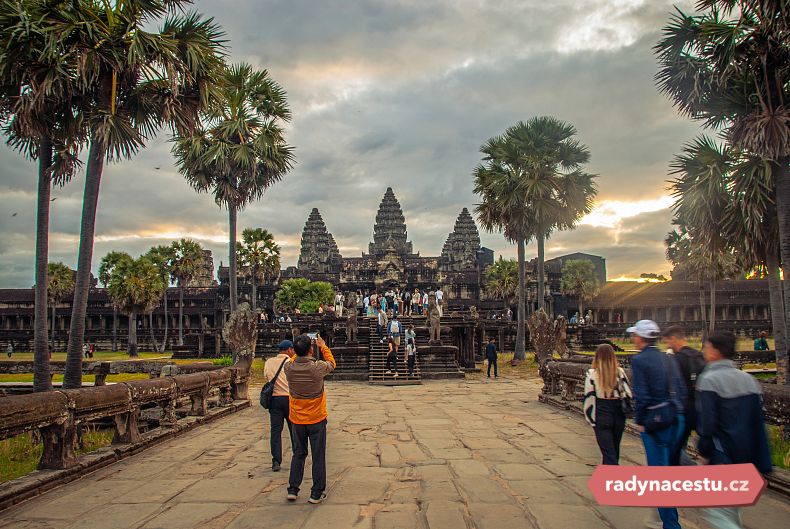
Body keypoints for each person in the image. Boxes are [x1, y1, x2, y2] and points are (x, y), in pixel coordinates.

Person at [697, 330, 772, 529]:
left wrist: (704, 452)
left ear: (715, 351)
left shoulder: (709, 380)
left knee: (717, 513)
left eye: (706, 346)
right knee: (731, 509)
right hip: (746, 456)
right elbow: (758, 424)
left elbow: (707, 424)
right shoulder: (749, 380)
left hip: (722, 454)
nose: (704, 350)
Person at [629, 320, 686, 529]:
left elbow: (642, 395)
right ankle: (669, 518)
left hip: (656, 422)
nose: (633, 339)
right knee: (668, 472)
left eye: (635, 335)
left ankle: (671, 525)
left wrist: (641, 421)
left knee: (659, 477)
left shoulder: (640, 360)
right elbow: (681, 389)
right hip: (676, 418)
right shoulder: (668, 357)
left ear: (641, 338)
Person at [284, 333, 336, 504]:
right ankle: (316, 492)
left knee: (298, 453)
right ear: (311, 349)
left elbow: (292, 359)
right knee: (318, 455)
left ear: (295, 351)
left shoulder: (289, 368)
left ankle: (293, 488)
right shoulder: (317, 367)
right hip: (316, 418)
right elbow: (332, 364)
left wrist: (298, 353)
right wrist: (323, 346)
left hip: (297, 419)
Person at [662, 326, 705, 465]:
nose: (668, 345)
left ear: (674, 339)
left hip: (682, 409)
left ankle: (690, 472)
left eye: (668, 341)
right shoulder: (699, 356)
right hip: (700, 407)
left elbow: (670, 385)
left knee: (674, 448)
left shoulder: (676, 359)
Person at [583, 344, 632, 465]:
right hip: (618, 412)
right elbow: (628, 393)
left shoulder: (592, 374)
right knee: (614, 450)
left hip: (601, 411)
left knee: (608, 452)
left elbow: (589, 398)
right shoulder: (620, 372)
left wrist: (590, 419)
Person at [264, 340, 294, 472]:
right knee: (294, 430)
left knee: (275, 431)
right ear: (288, 350)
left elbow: (266, 377)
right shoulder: (291, 362)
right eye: (292, 349)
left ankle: (276, 461)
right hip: (289, 399)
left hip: (274, 400)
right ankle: (298, 456)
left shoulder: (269, 362)